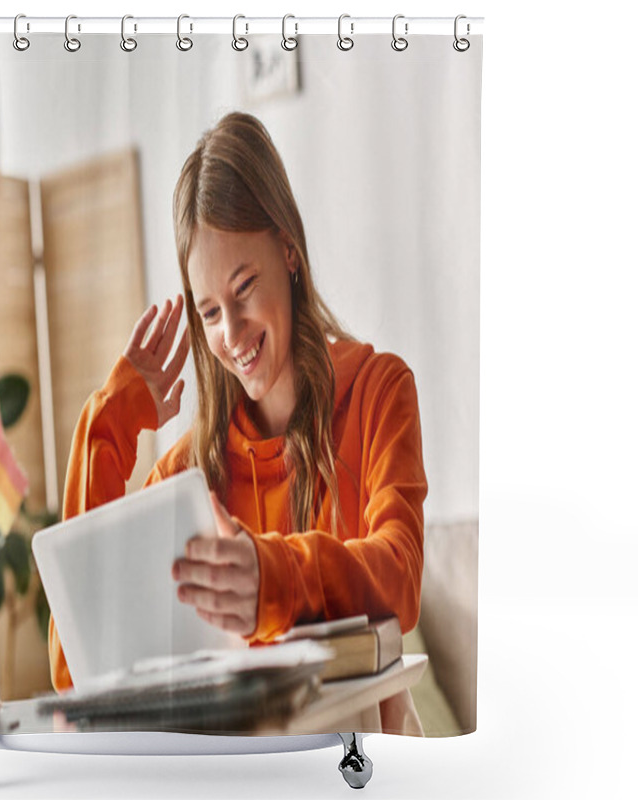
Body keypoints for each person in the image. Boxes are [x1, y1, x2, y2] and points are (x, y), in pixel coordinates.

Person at [48, 112, 427, 733]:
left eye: (245, 287)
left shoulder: (379, 391)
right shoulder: (188, 474)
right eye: (209, 312)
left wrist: (273, 580)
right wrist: (109, 425)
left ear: (288, 249)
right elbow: (75, 673)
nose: (231, 334)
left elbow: (400, 572)